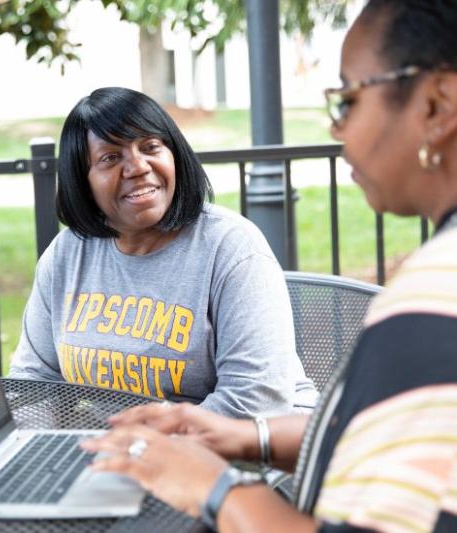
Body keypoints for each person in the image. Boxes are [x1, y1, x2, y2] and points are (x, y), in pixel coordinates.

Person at [80, 1, 457, 531]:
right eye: (110, 158)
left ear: (437, 107)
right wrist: (240, 437)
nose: (335, 129)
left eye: (348, 99)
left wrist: (215, 488)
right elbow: (383, 444)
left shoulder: (435, 305)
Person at [9, 87, 316, 418]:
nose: (138, 167)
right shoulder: (67, 255)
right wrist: (36, 450)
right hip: (121, 455)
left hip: (245, 450)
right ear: (82, 182)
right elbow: (34, 384)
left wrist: (136, 451)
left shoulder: (231, 248)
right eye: (110, 158)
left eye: (150, 147)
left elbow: (255, 399)